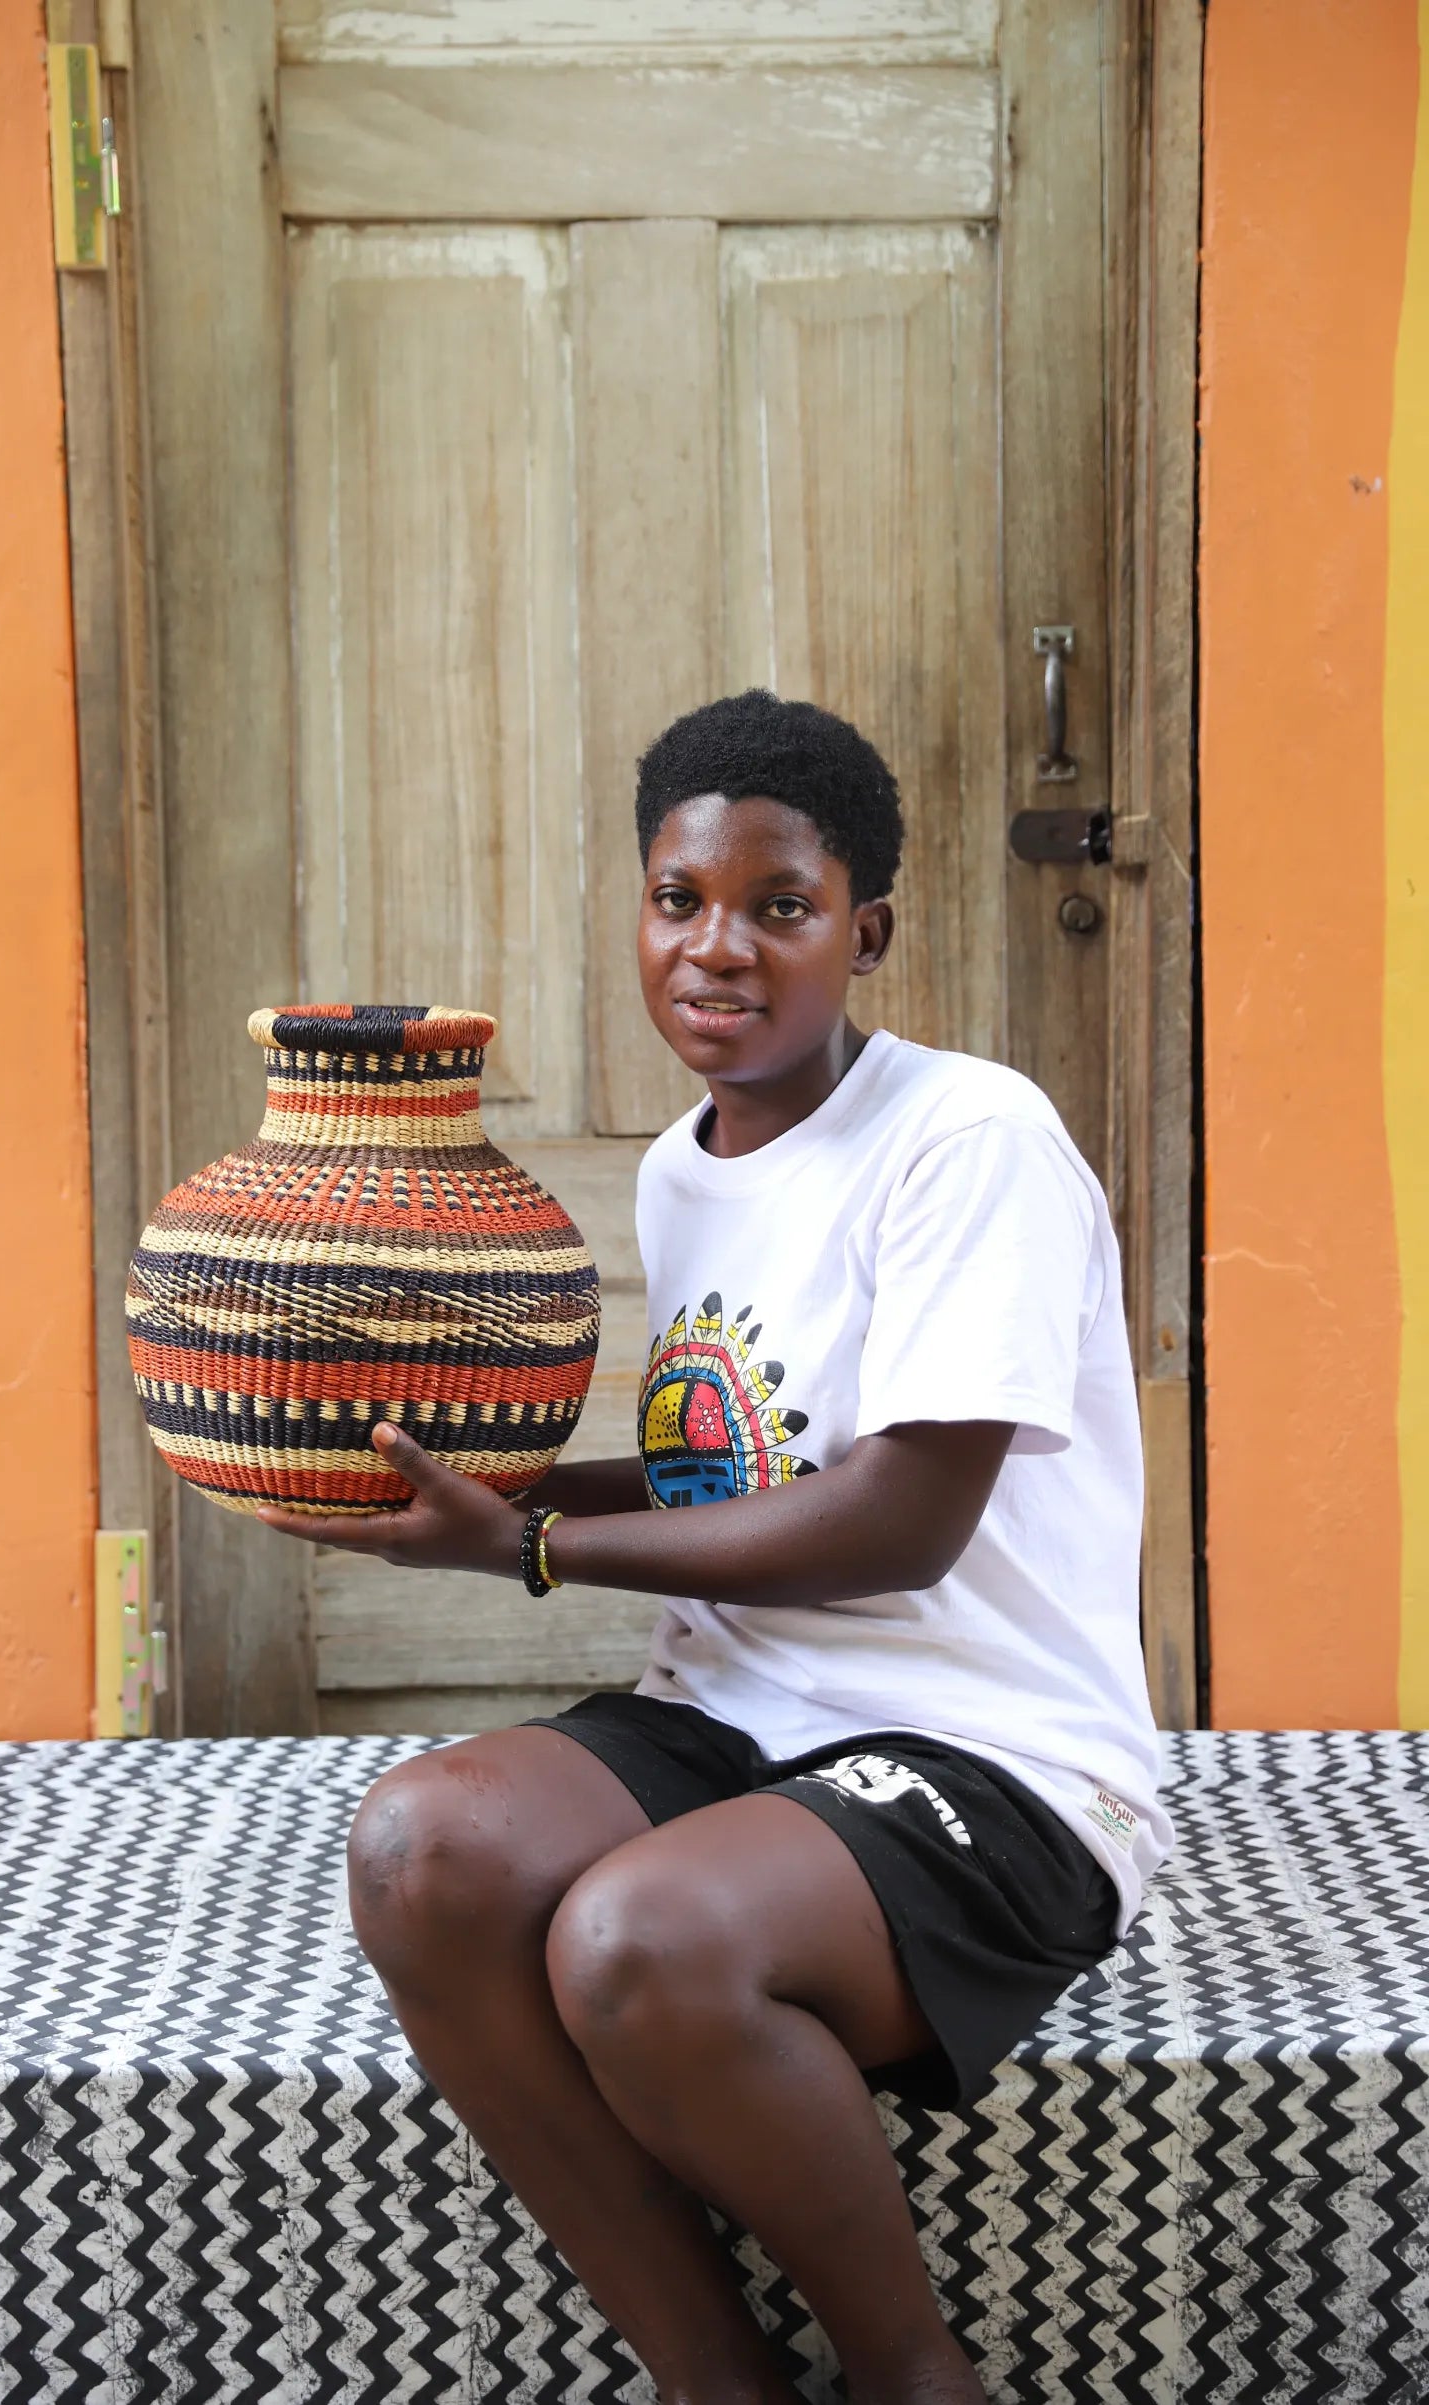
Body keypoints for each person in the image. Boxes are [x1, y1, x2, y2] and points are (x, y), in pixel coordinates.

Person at [258, 689, 1171, 2405]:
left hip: (996, 1756)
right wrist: (471, 1497)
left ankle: (913, 2376)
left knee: (641, 1941)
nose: (717, 948)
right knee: (420, 1849)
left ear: (865, 931)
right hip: (738, 1713)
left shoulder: (968, 1138)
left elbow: (899, 1518)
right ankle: (713, 2379)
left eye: (781, 905)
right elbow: (728, 1472)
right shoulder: (685, 1168)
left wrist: (531, 1549)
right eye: (679, 899)